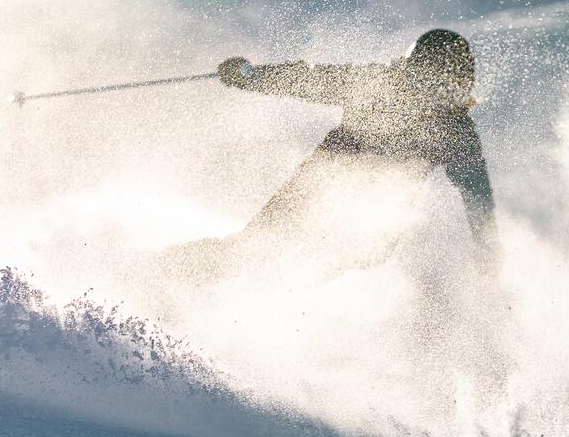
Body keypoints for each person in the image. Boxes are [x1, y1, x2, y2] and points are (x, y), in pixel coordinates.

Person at [173, 29, 498, 280]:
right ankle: (176, 277)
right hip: (320, 187)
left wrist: (487, 245)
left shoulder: (454, 127)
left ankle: (278, 322)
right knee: (257, 248)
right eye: (426, 77)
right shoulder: (380, 84)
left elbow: (476, 189)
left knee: (336, 265)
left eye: (441, 82)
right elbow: (309, 80)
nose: (430, 90)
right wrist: (252, 77)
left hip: (375, 216)